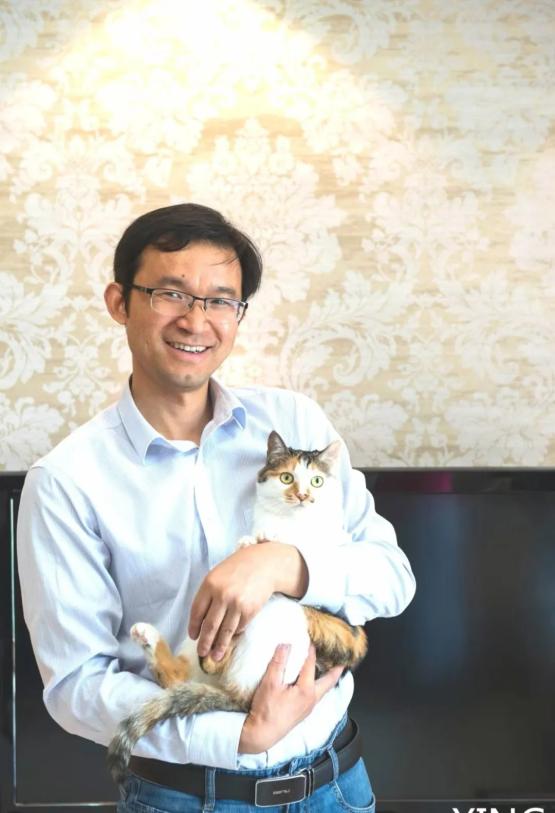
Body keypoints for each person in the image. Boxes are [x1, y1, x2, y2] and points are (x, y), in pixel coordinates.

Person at [17, 203, 416, 812]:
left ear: (238, 314)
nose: (196, 320)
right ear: (120, 302)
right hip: (186, 797)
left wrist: (284, 565)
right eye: (171, 293)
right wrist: (236, 736)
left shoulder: (295, 423)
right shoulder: (66, 482)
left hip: (338, 782)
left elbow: (393, 578)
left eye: (221, 300)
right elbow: (76, 685)